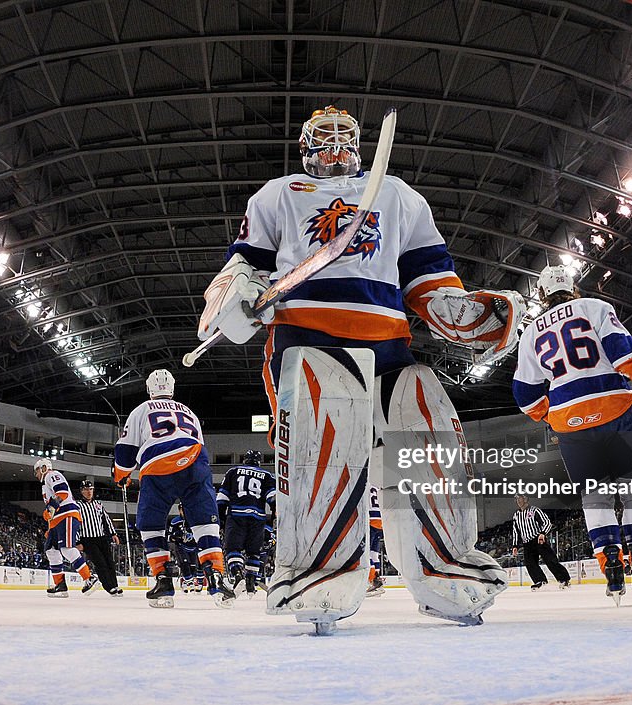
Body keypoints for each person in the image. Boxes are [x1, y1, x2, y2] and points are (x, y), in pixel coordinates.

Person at [196, 104, 512, 627]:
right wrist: (233, 296)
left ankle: (444, 564)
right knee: (327, 427)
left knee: (423, 422)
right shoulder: (278, 194)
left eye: (344, 137)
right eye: (323, 138)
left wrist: (456, 311)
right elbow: (244, 263)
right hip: (307, 336)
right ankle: (319, 568)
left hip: (389, 340)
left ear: (360, 143)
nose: (334, 147)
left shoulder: (397, 194)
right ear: (304, 146)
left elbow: (426, 271)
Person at [512, 264, 632, 605]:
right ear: (573, 287)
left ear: (541, 295)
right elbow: (627, 358)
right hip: (615, 412)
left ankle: (611, 569)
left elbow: (525, 395)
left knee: (595, 500)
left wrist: (552, 416)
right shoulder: (594, 307)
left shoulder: (532, 332)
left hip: (571, 425)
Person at [114, 369, 234, 609]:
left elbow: (125, 452)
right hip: (194, 459)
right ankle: (217, 576)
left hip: (159, 463)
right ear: (172, 388)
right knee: (204, 522)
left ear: (150, 389)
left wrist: (121, 475)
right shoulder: (189, 411)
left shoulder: (141, 409)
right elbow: (199, 442)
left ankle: (163, 581)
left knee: (150, 524)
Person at [217, 449, 276, 595]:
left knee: (233, 549)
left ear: (245, 460)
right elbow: (273, 499)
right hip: (258, 518)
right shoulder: (267, 475)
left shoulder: (233, 471)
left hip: (236, 514)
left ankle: (238, 576)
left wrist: (220, 518)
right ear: (258, 461)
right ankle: (250, 584)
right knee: (254, 552)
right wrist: (275, 516)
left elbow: (222, 497)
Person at [35, 457, 94, 597]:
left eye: (37, 471)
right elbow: (53, 507)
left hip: (66, 515)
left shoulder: (52, 475)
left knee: (66, 549)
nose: (36, 474)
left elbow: (62, 493)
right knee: (50, 550)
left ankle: (89, 578)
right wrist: (50, 528)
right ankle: (60, 585)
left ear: (43, 468)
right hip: (57, 520)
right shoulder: (45, 484)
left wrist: (50, 509)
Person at [510, 494, 571, 591]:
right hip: (527, 543)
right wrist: (515, 545)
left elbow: (547, 522)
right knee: (530, 563)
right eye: (517, 499)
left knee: (550, 560)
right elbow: (515, 531)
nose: (518, 501)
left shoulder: (535, 510)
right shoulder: (516, 515)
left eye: (520, 498)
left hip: (538, 540)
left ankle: (564, 579)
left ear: (525, 499)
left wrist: (542, 533)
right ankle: (540, 581)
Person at [76, 479, 123, 596]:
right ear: (81, 491)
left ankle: (115, 585)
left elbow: (106, 520)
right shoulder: (77, 506)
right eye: (86, 489)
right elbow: (74, 524)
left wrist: (113, 534)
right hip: (87, 540)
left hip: (101, 538)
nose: (89, 492)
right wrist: (77, 541)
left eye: (91, 489)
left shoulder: (98, 504)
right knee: (100, 563)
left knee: (109, 562)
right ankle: (109, 587)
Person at [167, 508, 202, 593]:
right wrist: (176, 537)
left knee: (193, 566)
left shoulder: (195, 520)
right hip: (181, 546)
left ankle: (190, 582)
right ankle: (188, 582)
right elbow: (169, 536)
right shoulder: (175, 521)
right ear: (179, 510)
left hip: (193, 546)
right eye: (182, 510)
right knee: (184, 564)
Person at [366, 485, 385, 597]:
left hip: (370, 521)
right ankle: (378, 582)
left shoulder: (365, 484)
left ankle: (373, 581)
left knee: (367, 553)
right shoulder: (377, 487)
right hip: (380, 523)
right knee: (374, 554)